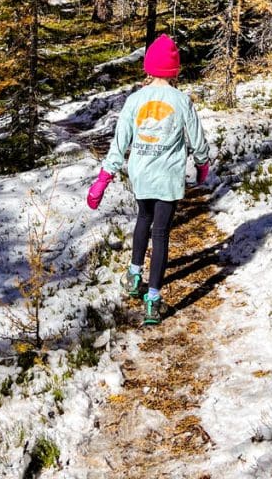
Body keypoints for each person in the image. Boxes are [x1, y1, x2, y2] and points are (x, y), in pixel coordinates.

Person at [86, 34, 211, 325]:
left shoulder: (135, 100)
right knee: (161, 233)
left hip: (141, 174)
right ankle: (153, 300)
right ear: (175, 69)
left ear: (149, 67)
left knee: (144, 218)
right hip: (168, 177)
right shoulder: (182, 102)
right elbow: (197, 138)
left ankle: (134, 275)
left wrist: (105, 176)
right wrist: (202, 163)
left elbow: (120, 142)